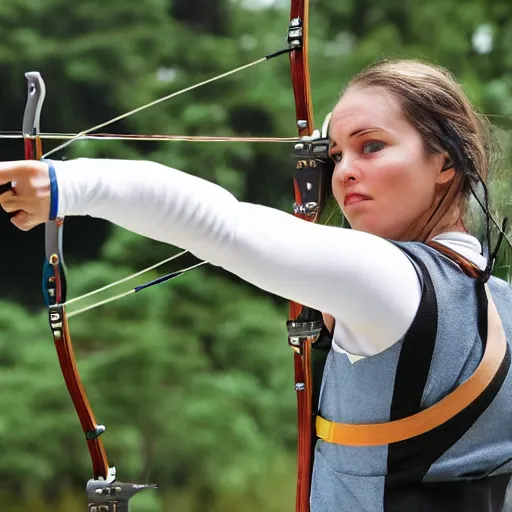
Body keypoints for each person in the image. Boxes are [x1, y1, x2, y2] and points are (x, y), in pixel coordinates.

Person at [1, 59, 511, 512]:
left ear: (446, 161)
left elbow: (221, 224)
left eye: (371, 146)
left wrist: (67, 185)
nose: (345, 173)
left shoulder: (394, 281)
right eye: (335, 156)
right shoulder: (499, 302)